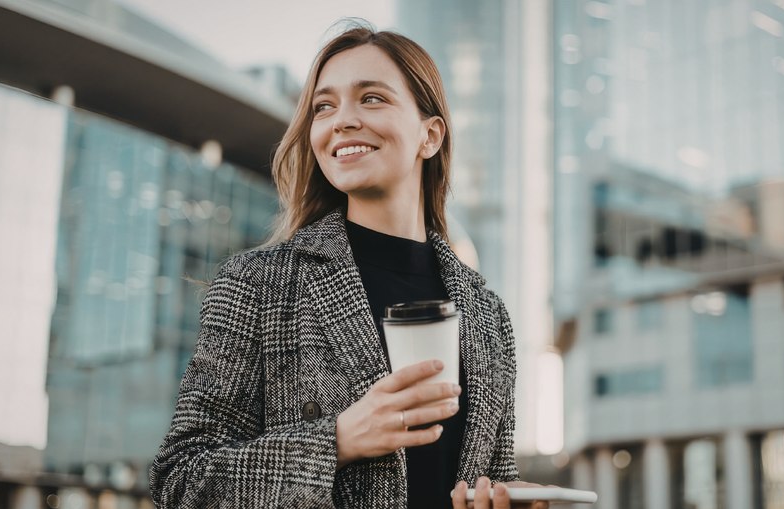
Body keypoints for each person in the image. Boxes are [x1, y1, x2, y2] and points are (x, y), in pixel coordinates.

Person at [150, 24, 548, 509]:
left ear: (430, 134)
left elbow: (495, 477)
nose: (341, 120)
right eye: (324, 106)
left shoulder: (489, 316)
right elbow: (181, 480)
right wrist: (337, 440)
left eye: (372, 98)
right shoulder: (257, 285)